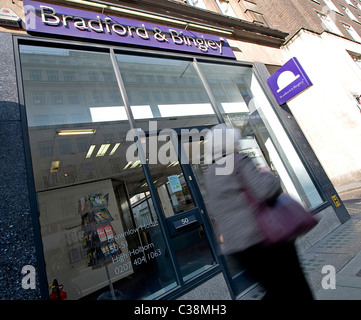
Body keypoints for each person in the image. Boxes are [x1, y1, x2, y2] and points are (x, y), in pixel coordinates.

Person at [203, 124, 314, 300]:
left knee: (276, 289)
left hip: (239, 250)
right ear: (231, 142)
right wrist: (268, 174)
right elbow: (265, 191)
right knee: (296, 287)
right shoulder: (239, 160)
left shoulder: (209, 174)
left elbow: (213, 209)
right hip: (265, 239)